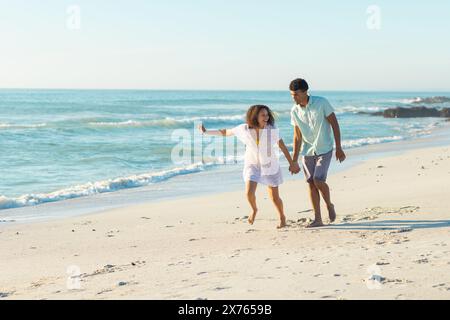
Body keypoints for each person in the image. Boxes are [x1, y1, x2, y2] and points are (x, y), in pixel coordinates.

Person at [198, 105, 296, 229]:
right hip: (252, 164)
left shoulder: (272, 129)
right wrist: (206, 132)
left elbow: (282, 146)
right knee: (249, 193)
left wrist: (292, 163)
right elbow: (226, 132)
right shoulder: (244, 129)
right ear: (255, 116)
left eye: (267, 115)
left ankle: (282, 216)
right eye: (263, 115)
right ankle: (254, 210)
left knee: (274, 197)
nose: (266, 117)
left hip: (269, 165)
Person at [289, 78, 346, 228]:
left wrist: (339, 147)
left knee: (318, 180)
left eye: (296, 94)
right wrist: (293, 160)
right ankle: (318, 219)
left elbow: (334, 123)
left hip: (324, 147)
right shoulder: (294, 110)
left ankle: (329, 204)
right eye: (291, 95)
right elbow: (297, 136)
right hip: (307, 151)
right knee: (311, 184)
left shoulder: (322, 103)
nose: (293, 98)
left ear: (305, 92)